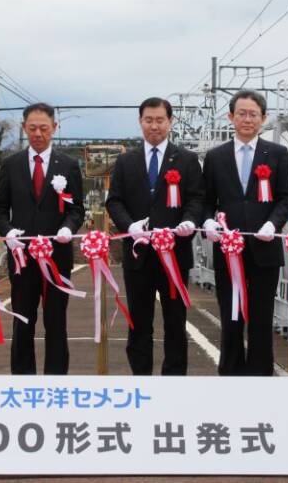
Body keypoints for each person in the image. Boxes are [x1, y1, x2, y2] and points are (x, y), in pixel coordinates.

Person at [106, 97, 204, 375]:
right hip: (138, 256)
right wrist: (129, 226)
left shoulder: (186, 160)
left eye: (160, 120)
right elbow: (114, 201)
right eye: (148, 120)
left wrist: (188, 221)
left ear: (170, 122)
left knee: (175, 320)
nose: (154, 126)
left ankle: (173, 379)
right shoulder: (126, 161)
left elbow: (196, 198)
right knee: (139, 320)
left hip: (175, 253)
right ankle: (141, 379)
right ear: (140, 122)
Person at [203, 90, 288, 376]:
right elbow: (205, 200)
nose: (247, 119)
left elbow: (286, 198)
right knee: (230, 317)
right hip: (227, 250)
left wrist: (273, 224)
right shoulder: (216, 157)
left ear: (263, 119)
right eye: (241, 113)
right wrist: (208, 223)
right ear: (230, 117)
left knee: (260, 318)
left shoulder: (277, 154)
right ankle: (229, 375)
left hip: (264, 251)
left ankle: (260, 378)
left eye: (253, 114)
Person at [0, 102, 85, 375]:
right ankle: (22, 380)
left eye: (44, 128)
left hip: (57, 257)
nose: (38, 133)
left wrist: (68, 229)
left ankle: (56, 380)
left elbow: (77, 208)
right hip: (22, 258)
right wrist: (7, 231)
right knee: (23, 320)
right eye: (32, 128)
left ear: (54, 128)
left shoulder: (67, 165)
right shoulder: (11, 165)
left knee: (56, 322)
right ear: (24, 128)